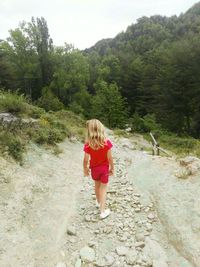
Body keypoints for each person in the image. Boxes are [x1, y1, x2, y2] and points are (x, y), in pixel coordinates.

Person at [83, 119, 114, 219]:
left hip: (94, 170)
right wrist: (112, 168)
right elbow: (110, 158)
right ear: (101, 129)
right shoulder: (106, 142)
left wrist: (85, 169)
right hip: (104, 170)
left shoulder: (88, 144)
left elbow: (85, 160)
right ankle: (102, 211)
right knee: (103, 189)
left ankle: (98, 202)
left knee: (97, 186)